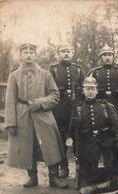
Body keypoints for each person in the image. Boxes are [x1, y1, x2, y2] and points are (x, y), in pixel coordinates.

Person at [5, 43, 67, 188]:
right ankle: (32, 177)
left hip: (43, 114)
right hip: (22, 115)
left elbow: (55, 95)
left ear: (35, 55)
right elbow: (10, 100)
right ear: (20, 55)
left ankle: (54, 177)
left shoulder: (45, 74)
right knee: (27, 145)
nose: (28, 55)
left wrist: (40, 102)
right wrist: (11, 122)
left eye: (31, 52)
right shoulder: (14, 76)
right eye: (25, 52)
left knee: (50, 145)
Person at [69, 76, 118, 188]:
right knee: (88, 174)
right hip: (87, 142)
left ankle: (111, 179)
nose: (90, 92)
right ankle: (87, 178)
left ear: (96, 90)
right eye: (87, 89)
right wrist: (77, 143)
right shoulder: (78, 108)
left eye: (92, 89)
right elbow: (72, 130)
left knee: (111, 165)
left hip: (105, 140)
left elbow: (116, 125)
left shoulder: (105, 106)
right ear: (83, 91)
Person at [50, 43, 85, 178]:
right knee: (60, 141)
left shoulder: (78, 69)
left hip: (75, 110)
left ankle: (78, 168)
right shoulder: (54, 69)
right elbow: (50, 88)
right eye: (63, 51)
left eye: (68, 51)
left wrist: (78, 91)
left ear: (72, 53)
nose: (66, 53)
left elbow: (84, 87)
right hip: (59, 110)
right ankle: (64, 168)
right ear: (58, 53)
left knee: (77, 140)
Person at [87, 44, 118, 120]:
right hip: (100, 106)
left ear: (113, 57)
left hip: (117, 106)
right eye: (105, 55)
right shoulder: (96, 72)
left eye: (109, 55)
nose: (107, 57)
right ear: (101, 57)